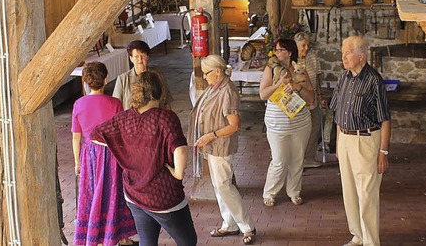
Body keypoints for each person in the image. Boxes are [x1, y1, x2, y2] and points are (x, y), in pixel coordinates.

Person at [91, 72, 197, 246]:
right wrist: (178, 173)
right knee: (187, 241)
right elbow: (180, 150)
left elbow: (95, 135)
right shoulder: (165, 117)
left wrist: (122, 147)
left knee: (147, 241)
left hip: (134, 193)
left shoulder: (123, 118)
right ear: (159, 91)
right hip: (163, 195)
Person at [330, 36, 391, 246]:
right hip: (345, 139)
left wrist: (383, 153)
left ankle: (371, 242)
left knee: (367, 195)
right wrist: (339, 142)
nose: (343, 57)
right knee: (349, 192)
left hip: (366, 140)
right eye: (343, 52)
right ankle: (358, 236)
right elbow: (337, 112)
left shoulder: (374, 80)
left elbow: (385, 120)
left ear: (361, 56)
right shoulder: (344, 77)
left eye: (347, 53)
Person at [190, 54, 256, 245]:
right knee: (219, 187)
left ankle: (247, 226)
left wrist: (210, 136)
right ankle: (229, 224)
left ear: (217, 72)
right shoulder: (216, 87)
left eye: (206, 73)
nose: (204, 77)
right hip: (212, 145)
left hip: (220, 145)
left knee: (224, 186)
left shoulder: (227, 91)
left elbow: (234, 125)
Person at [71, 62, 137, 246]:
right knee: (113, 194)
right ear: (105, 80)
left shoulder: (78, 104)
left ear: (86, 82)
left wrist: (77, 161)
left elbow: (76, 138)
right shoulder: (115, 103)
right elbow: (122, 133)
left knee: (91, 195)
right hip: (111, 154)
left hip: (89, 155)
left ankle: (96, 238)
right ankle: (120, 237)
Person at [259, 38, 315, 207]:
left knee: (297, 159)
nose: (277, 53)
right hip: (277, 123)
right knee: (279, 160)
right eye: (276, 50)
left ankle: (294, 191)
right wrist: (279, 84)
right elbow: (263, 94)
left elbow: (311, 98)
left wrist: (296, 87)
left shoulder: (299, 70)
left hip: (300, 122)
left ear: (290, 52)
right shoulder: (271, 69)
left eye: (281, 50)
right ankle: (270, 192)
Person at [294, 32, 326, 168]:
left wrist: (320, 95)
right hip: (297, 101)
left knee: (316, 126)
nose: (306, 48)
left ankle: (308, 157)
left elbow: (317, 76)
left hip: (312, 99)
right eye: (303, 45)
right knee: (299, 130)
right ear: (296, 45)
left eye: (308, 45)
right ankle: (297, 159)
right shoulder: (292, 60)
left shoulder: (312, 56)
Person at [113, 40, 173, 110]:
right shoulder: (122, 79)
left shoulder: (158, 76)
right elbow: (116, 106)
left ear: (148, 57)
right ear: (131, 58)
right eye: (136, 57)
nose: (140, 60)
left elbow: (166, 103)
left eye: (143, 56)